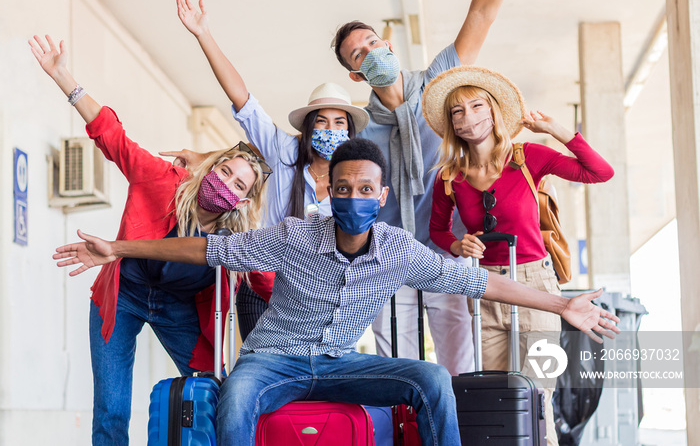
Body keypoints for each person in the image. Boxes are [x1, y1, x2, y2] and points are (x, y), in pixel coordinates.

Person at [54, 138, 620, 446]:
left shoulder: (398, 249)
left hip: (345, 364)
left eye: (365, 188)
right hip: (272, 361)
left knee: (431, 379)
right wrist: (121, 249)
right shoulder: (293, 236)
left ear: (382, 194)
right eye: (343, 187)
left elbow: (475, 279)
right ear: (330, 191)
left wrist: (562, 303)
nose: (353, 195)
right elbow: (205, 250)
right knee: (233, 404)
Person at [29, 34, 271, 446]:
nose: (226, 183)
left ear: (244, 199)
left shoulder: (237, 238)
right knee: (112, 410)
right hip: (125, 294)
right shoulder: (161, 180)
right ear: (211, 166)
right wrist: (63, 77)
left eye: (238, 183)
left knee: (218, 391)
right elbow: (112, 137)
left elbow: (270, 282)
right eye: (224, 171)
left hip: (181, 311)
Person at [331, 0, 516, 374]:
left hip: (449, 253)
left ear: (389, 46)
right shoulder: (359, 127)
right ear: (355, 74)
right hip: (387, 260)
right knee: (398, 370)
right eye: (359, 55)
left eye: (372, 43)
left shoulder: (438, 85)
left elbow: (482, 14)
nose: (370, 53)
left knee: (461, 367)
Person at [423, 65, 615, 446]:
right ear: (452, 125)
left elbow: (599, 172)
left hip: (537, 285)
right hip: (485, 286)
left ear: (493, 111)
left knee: (535, 395)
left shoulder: (528, 157)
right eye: (457, 112)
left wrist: (556, 130)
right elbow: (438, 231)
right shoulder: (449, 177)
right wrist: (460, 246)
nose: (468, 117)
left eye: (476, 106)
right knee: (497, 398)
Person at [167, 0, 370, 338]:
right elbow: (242, 98)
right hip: (263, 287)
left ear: (350, 133)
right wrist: (203, 34)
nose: (330, 130)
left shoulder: (355, 181)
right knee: (259, 377)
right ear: (308, 126)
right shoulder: (283, 150)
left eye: (340, 123)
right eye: (322, 121)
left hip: (318, 297)